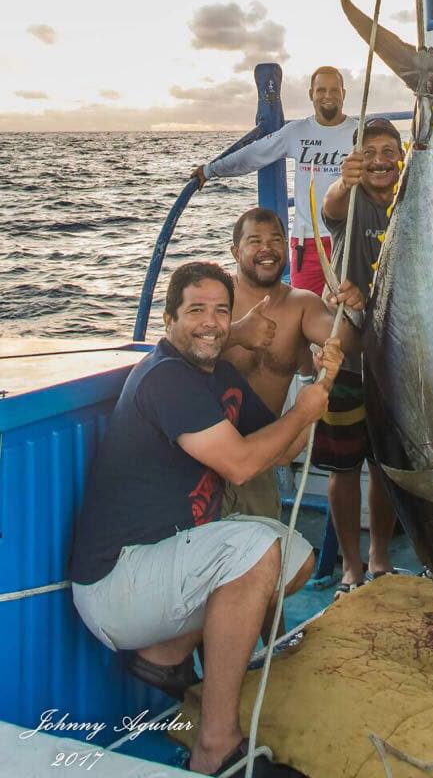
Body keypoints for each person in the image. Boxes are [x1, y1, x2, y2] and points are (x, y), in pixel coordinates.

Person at [70, 261, 343, 777]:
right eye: (196, 310)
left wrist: (317, 380)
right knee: (257, 554)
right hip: (118, 581)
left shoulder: (220, 374)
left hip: (162, 567)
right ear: (169, 319)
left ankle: (165, 652)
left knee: (296, 562)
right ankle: (216, 748)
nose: (212, 322)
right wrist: (303, 413)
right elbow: (241, 465)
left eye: (222, 310)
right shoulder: (166, 378)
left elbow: (283, 451)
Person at [220, 206, 364, 521]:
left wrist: (352, 307)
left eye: (275, 240)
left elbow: (348, 342)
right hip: (207, 449)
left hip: (262, 454)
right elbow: (181, 347)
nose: (266, 249)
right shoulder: (217, 297)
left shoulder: (301, 304)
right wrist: (237, 333)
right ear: (235, 251)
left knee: (262, 552)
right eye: (254, 241)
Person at [318, 118, 403, 594]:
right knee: (344, 468)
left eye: (389, 151)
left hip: (395, 359)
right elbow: (331, 200)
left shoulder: (410, 204)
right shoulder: (347, 203)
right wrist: (342, 179)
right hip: (348, 356)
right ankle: (352, 565)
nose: (379, 160)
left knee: (385, 464)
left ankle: (380, 558)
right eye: (368, 151)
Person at [193, 66, 357, 294]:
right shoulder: (296, 132)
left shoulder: (359, 133)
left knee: (353, 311)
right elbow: (254, 153)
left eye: (333, 90)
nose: (327, 96)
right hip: (308, 243)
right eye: (321, 90)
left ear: (343, 93)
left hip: (351, 239)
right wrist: (211, 170)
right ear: (311, 94)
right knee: (306, 311)